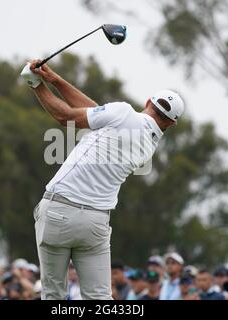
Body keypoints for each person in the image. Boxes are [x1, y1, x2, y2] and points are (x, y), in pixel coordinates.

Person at [24, 60, 185, 300]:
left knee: (54, 295)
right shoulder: (148, 145)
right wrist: (53, 78)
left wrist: (35, 83)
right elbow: (95, 111)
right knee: (99, 298)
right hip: (96, 223)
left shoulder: (122, 114)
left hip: (59, 209)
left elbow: (65, 116)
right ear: (171, 123)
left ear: (148, 102)